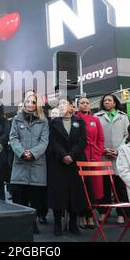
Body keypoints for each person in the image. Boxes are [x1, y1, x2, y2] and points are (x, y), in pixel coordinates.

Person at [9, 91, 49, 234]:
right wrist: (21, 152)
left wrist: (32, 153)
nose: (30, 104)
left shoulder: (44, 120)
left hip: (37, 164)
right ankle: (21, 226)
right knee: (20, 198)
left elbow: (44, 141)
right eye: (28, 101)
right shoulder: (16, 119)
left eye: (33, 102)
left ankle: (32, 224)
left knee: (36, 198)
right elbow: (13, 139)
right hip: (20, 164)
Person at [48, 98, 87, 236]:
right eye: (60, 104)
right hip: (58, 162)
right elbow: (53, 142)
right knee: (58, 193)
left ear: (71, 106)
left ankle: (73, 223)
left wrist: (72, 155)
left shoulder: (79, 121)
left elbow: (83, 141)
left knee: (75, 193)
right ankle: (57, 223)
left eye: (65, 103)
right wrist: (64, 155)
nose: (62, 106)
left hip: (75, 162)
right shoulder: (53, 123)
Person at [95, 93, 129, 224]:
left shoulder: (123, 116)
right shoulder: (97, 116)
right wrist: (104, 149)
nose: (106, 102)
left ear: (115, 103)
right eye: (105, 100)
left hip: (119, 155)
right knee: (105, 185)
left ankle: (122, 213)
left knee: (120, 185)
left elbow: (127, 135)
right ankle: (104, 212)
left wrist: (118, 150)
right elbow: (95, 136)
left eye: (109, 100)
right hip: (103, 155)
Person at [76, 97, 104, 229]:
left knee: (94, 187)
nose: (85, 105)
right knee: (82, 187)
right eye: (82, 103)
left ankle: (91, 215)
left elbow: (101, 138)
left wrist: (98, 154)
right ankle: (82, 215)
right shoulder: (75, 119)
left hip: (94, 156)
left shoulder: (95, 120)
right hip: (81, 156)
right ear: (78, 105)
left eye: (87, 103)